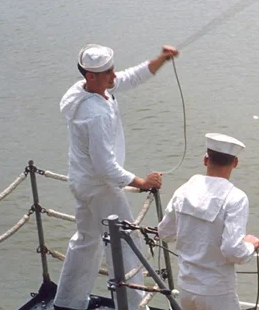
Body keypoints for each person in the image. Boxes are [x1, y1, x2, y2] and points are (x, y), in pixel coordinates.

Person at [53, 43, 179, 310]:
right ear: (91, 76)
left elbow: (129, 77)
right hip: (101, 188)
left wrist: (161, 60)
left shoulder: (83, 90)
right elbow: (105, 167)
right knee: (126, 242)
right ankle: (133, 306)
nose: (114, 76)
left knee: (86, 241)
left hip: (82, 182)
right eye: (109, 72)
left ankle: (68, 301)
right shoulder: (94, 114)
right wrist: (142, 182)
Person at [158, 133, 259, 310]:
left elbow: (165, 233)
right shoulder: (236, 198)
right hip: (217, 291)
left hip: (186, 286)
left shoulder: (184, 190)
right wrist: (251, 245)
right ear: (235, 162)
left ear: (205, 160)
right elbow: (232, 250)